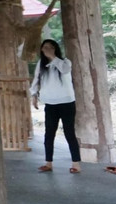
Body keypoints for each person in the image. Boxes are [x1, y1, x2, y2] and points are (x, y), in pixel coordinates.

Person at [30, 38, 81, 173]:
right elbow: (36, 79)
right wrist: (33, 95)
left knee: (69, 132)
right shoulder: (41, 64)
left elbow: (65, 70)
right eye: (45, 47)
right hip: (50, 103)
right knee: (49, 133)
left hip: (67, 103)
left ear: (55, 49)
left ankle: (76, 164)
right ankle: (48, 163)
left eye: (50, 47)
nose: (47, 50)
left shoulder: (65, 62)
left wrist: (53, 57)